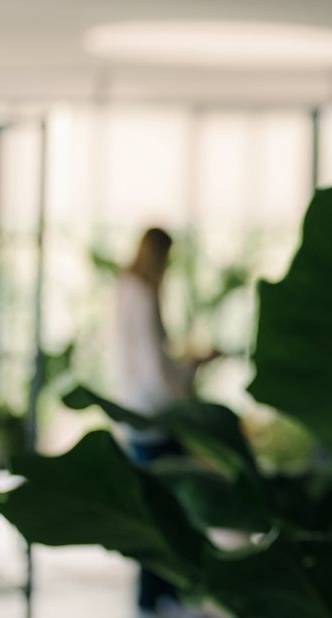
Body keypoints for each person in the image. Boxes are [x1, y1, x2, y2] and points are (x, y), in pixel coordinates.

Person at [109, 227, 215, 617]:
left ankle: (154, 597)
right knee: (167, 509)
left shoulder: (125, 289)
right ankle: (161, 596)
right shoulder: (142, 292)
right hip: (155, 416)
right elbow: (155, 367)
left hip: (138, 414)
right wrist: (188, 377)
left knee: (154, 509)